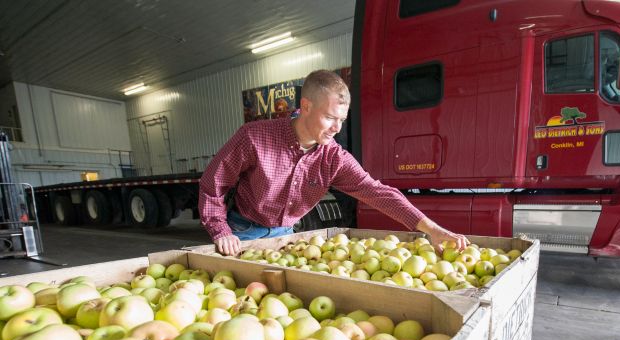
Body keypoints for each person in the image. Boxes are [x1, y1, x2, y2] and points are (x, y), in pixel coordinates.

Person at [199, 69, 469, 256]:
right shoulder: (254, 137)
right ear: (305, 106)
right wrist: (220, 230)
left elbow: (378, 193)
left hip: (287, 234)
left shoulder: (333, 157)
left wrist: (433, 230)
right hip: (243, 232)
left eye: (342, 120)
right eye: (329, 118)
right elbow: (214, 181)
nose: (336, 128)